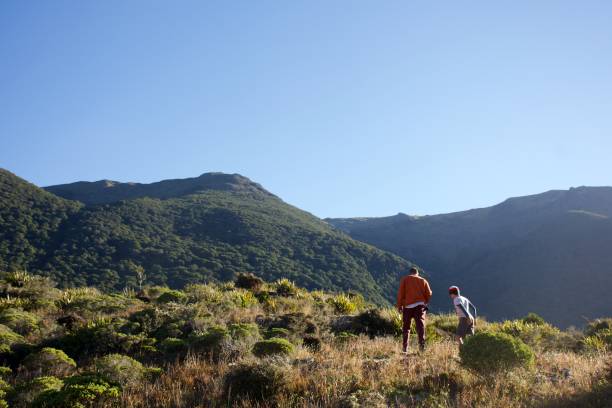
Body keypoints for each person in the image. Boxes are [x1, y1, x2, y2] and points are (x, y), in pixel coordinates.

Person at [396, 266, 432, 352]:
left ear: (410, 272)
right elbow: (429, 293)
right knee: (420, 326)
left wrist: (399, 306)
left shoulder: (405, 279)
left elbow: (400, 293)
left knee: (406, 327)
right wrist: (425, 302)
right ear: (417, 273)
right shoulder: (423, 280)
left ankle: (405, 348)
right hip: (420, 306)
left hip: (407, 306)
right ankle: (422, 347)